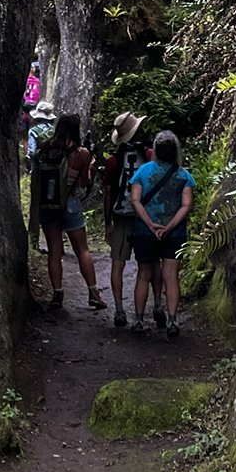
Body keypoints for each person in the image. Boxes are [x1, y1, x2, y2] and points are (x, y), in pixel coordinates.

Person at [29, 111, 104, 312]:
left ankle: (57, 294)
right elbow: (83, 183)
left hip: (47, 204)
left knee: (54, 250)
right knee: (82, 249)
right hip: (69, 204)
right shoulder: (81, 153)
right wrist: (91, 170)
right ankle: (94, 292)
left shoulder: (46, 148)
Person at [129, 127, 194, 338]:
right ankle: (173, 320)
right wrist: (169, 226)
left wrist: (149, 224)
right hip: (173, 234)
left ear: (155, 149)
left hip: (145, 232)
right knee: (171, 276)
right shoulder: (184, 175)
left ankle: (138, 320)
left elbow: (135, 200)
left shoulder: (143, 171)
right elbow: (186, 205)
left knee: (143, 274)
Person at [102, 109, 149, 329]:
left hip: (120, 216)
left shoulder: (113, 161)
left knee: (117, 264)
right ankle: (149, 309)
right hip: (144, 217)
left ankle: (119, 310)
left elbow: (109, 193)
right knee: (146, 265)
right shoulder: (148, 156)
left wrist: (107, 222)